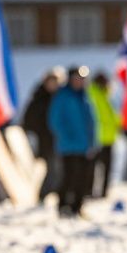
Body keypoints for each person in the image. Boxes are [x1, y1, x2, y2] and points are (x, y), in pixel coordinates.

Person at [49, 66, 96, 218]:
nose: (80, 82)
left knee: (83, 178)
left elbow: (90, 121)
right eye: (77, 78)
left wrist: (92, 141)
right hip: (68, 145)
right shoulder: (63, 96)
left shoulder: (84, 96)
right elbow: (55, 120)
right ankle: (63, 205)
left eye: (82, 79)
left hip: (84, 145)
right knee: (69, 177)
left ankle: (77, 206)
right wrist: (66, 136)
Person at [23, 68, 62, 203]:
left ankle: (51, 193)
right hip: (44, 140)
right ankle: (42, 194)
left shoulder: (58, 98)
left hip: (57, 140)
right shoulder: (39, 98)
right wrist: (39, 132)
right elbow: (28, 121)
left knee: (57, 170)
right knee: (51, 169)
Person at [87, 72, 120, 198]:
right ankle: (90, 191)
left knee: (107, 167)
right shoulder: (92, 94)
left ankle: (103, 192)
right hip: (98, 138)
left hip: (109, 137)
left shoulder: (107, 96)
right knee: (93, 167)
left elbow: (113, 116)